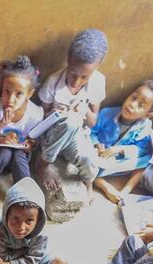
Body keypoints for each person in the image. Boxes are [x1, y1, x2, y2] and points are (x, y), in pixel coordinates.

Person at [35, 28, 109, 200]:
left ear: (96, 68)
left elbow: (92, 122)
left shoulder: (98, 82)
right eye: (73, 74)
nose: (77, 81)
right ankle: (43, 164)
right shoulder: (54, 82)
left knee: (89, 161)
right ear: (68, 60)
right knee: (71, 121)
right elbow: (40, 117)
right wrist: (53, 114)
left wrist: (85, 111)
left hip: (76, 137)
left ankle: (88, 182)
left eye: (84, 77)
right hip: (51, 137)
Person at [0, 55, 43, 202]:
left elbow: (35, 142)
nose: (10, 99)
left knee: (17, 155)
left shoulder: (35, 114)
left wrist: (29, 144)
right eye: (6, 91)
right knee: (4, 151)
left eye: (19, 94)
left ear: (29, 94)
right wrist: (0, 127)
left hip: (19, 158)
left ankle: (26, 196)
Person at [91, 79, 153, 204]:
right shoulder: (107, 113)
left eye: (141, 105)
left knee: (147, 161)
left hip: (116, 161)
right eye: (133, 97)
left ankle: (126, 191)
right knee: (82, 155)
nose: (133, 104)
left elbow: (142, 150)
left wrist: (121, 149)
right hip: (97, 156)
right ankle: (104, 186)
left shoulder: (144, 128)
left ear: (147, 115)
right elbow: (92, 132)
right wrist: (96, 145)